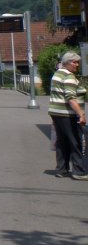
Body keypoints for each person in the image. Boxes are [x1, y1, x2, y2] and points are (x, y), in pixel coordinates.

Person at [48, 51, 87, 179]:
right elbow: (70, 98)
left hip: (56, 112)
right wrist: (81, 114)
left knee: (62, 141)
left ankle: (61, 169)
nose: (77, 65)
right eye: (74, 62)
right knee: (75, 141)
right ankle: (78, 171)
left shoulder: (57, 74)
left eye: (78, 62)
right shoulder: (69, 76)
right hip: (67, 114)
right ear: (66, 63)